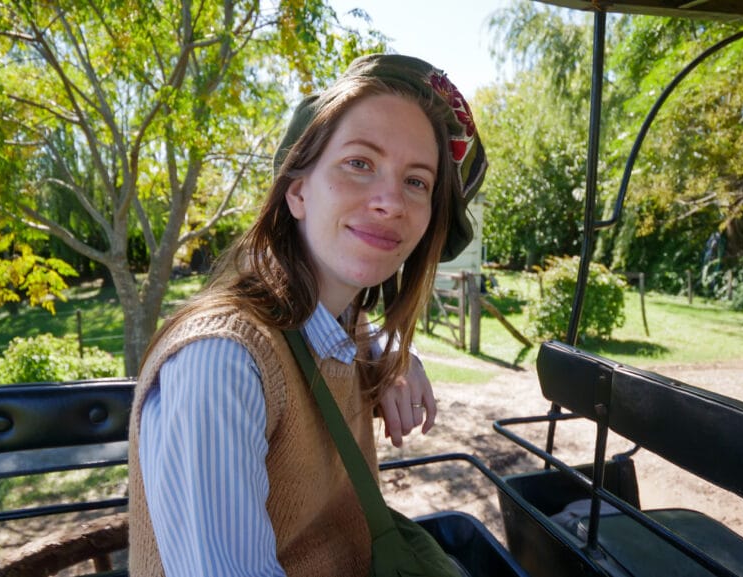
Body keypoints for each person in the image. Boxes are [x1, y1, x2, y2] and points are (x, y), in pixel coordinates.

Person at [128, 53, 487, 576]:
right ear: (298, 191)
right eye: (359, 163)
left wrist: (394, 355)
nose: (391, 201)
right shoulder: (222, 364)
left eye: (417, 181)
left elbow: (348, 339)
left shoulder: (341, 322)